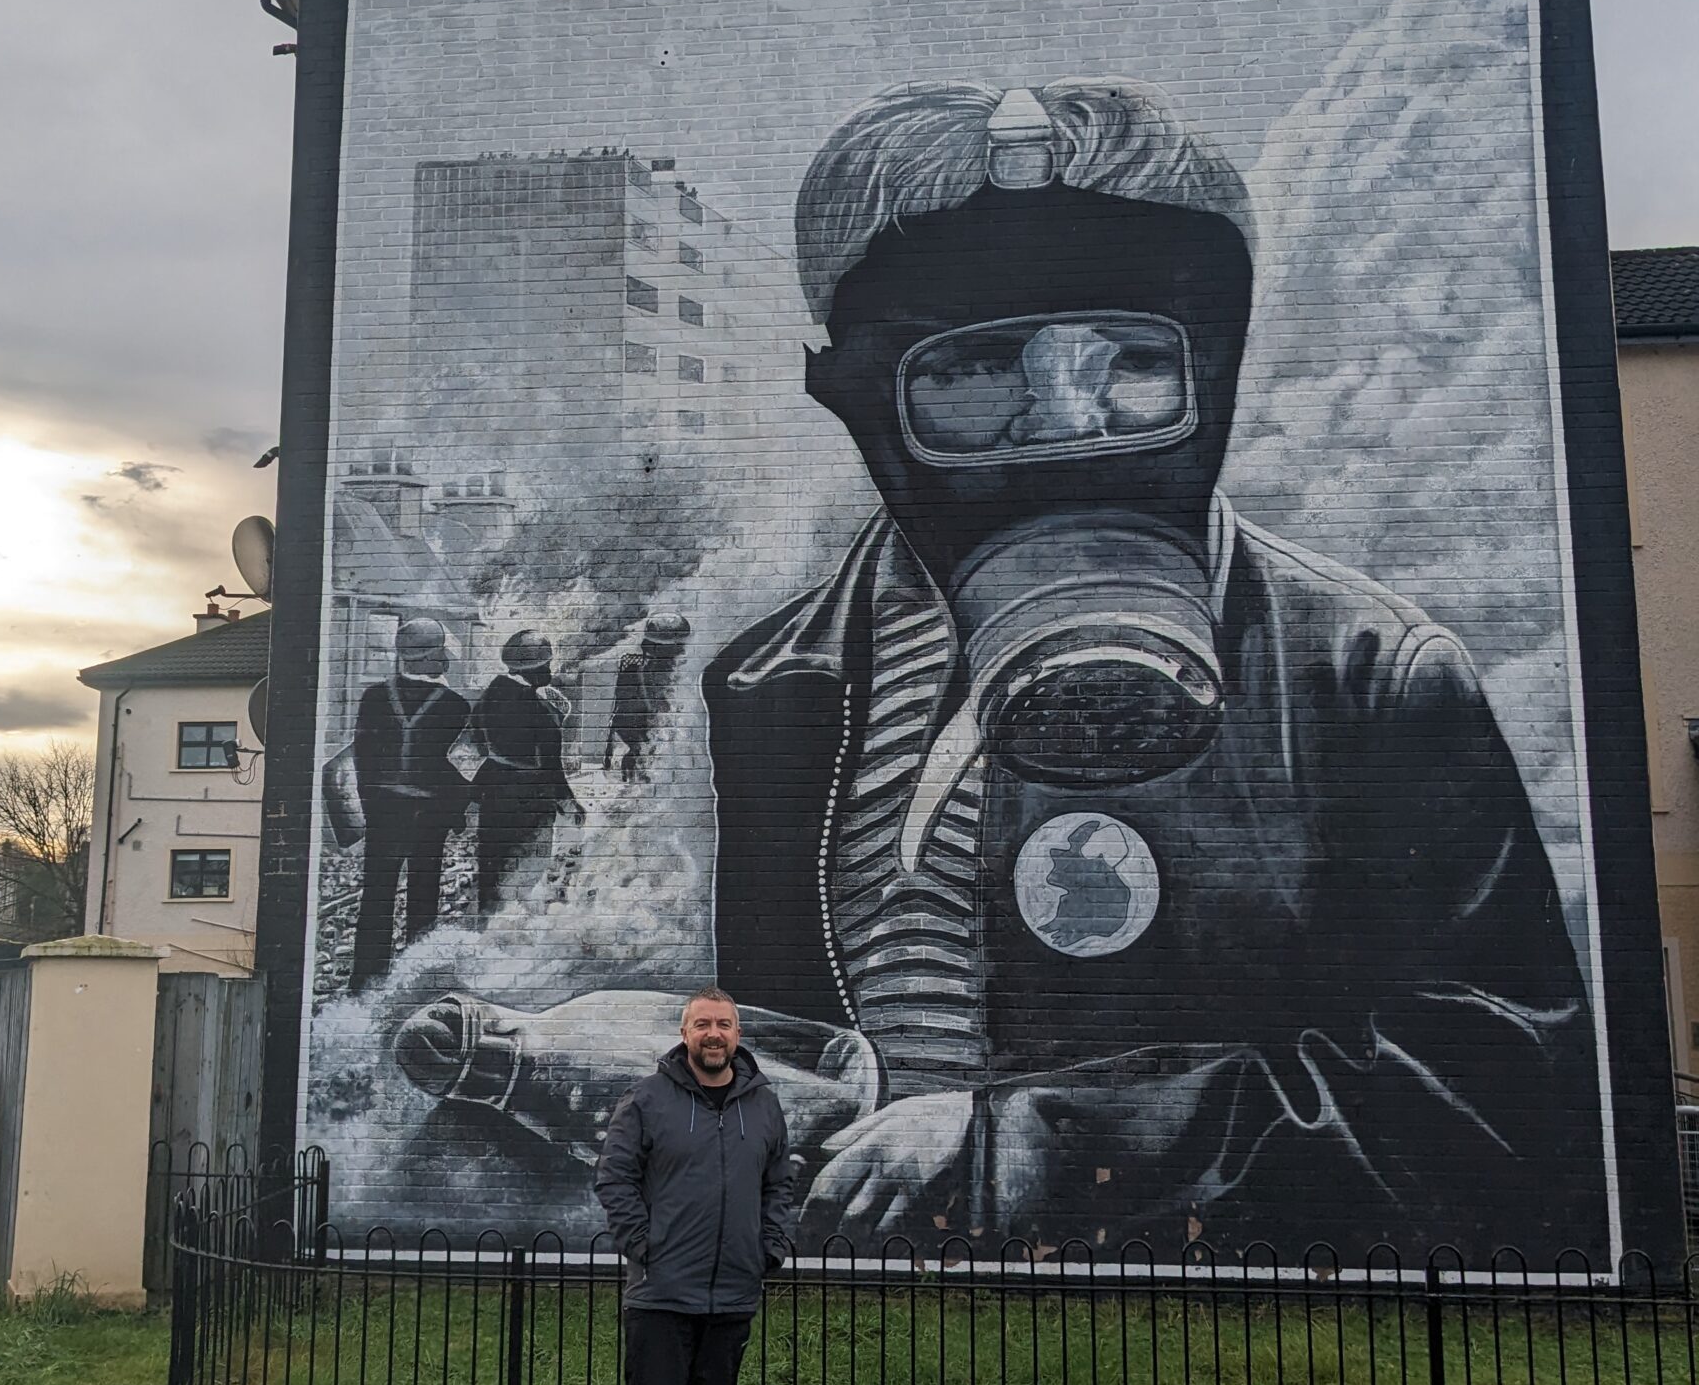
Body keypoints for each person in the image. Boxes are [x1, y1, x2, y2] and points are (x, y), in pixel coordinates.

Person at [695, 75, 1602, 1256]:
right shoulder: (775, 690)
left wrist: (1031, 1150)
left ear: (1217, 368)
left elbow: (1507, 1102)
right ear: (851, 397)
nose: (1065, 431)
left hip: (1181, 1338)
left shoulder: (1367, 680)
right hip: (863, 1326)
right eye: (973, 376)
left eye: (1128, 360)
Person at [593, 988, 795, 1385]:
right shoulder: (649, 1100)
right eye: (702, 1023)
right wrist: (646, 1246)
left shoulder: (762, 1105)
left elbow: (778, 1183)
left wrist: (768, 1248)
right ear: (685, 1034)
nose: (714, 1033)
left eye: (725, 1024)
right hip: (661, 1297)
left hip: (731, 1295)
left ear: (738, 1034)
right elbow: (614, 1176)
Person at [349, 616, 470, 991]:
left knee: (377, 894)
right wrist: (456, 815)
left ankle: (366, 977)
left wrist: (370, 807)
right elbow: (456, 771)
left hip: (384, 811)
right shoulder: (455, 706)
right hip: (429, 814)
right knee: (424, 893)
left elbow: (362, 761)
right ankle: (415, 977)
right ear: (434, 657)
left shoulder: (373, 698)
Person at [469, 629, 585, 919]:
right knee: (527, 870)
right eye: (544, 665)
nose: (549, 670)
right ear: (531, 668)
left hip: (495, 794)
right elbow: (550, 767)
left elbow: (472, 747)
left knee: (492, 866)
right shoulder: (540, 707)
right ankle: (514, 931)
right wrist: (570, 803)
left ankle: (486, 924)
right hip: (532, 799)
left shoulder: (488, 697)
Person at [604, 613, 692, 780]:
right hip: (648, 750)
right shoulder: (636, 671)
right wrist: (636, 749)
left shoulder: (679, 675)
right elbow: (623, 716)